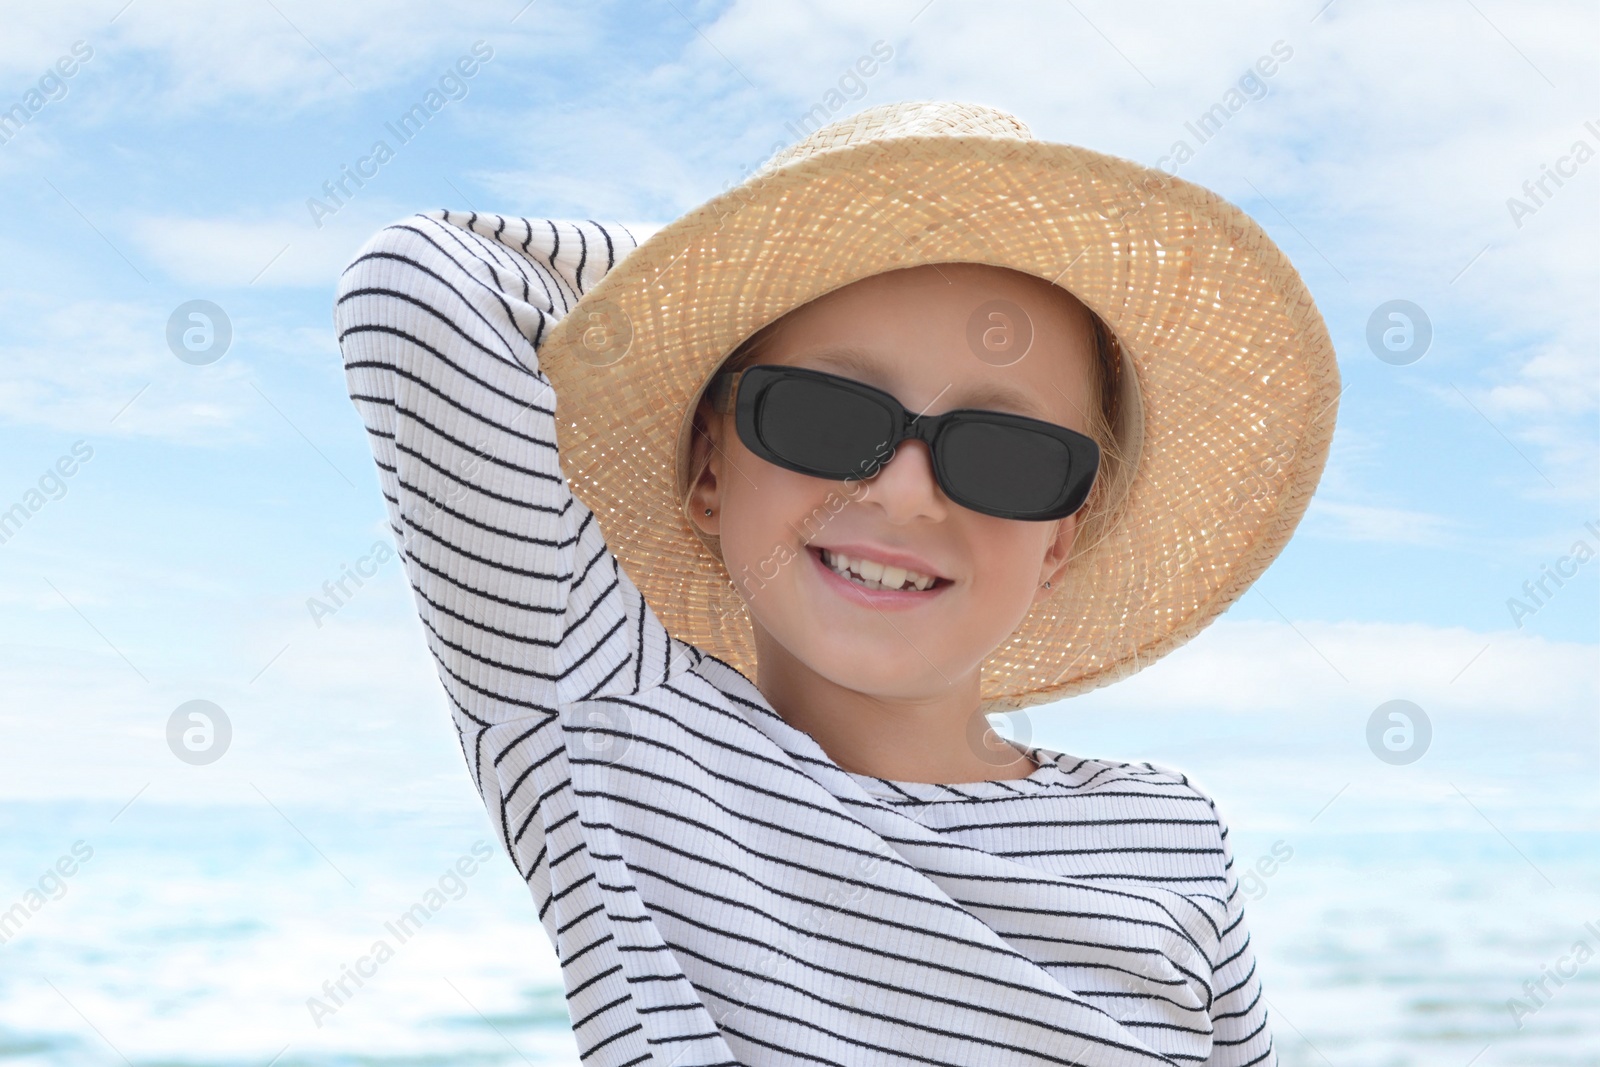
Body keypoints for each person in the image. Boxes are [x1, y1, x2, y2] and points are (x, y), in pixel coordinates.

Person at [333, 100, 1339, 1066]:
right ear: (709, 467)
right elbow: (416, 283)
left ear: (1058, 540)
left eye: (1008, 454)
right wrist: (737, 263)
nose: (904, 493)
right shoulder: (619, 740)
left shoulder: (1168, 832)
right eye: (822, 414)